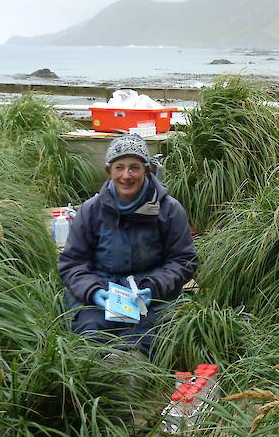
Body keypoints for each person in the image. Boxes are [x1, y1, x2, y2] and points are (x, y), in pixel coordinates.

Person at [58, 133, 197, 357]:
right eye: (119, 167)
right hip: (103, 292)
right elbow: (72, 263)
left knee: (149, 334)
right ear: (109, 171)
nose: (126, 175)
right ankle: (96, 370)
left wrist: (154, 288)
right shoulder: (90, 210)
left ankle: (131, 368)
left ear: (147, 170)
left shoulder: (170, 209)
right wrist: (94, 292)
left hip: (151, 296)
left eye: (134, 167)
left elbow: (184, 260)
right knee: (90, 335)